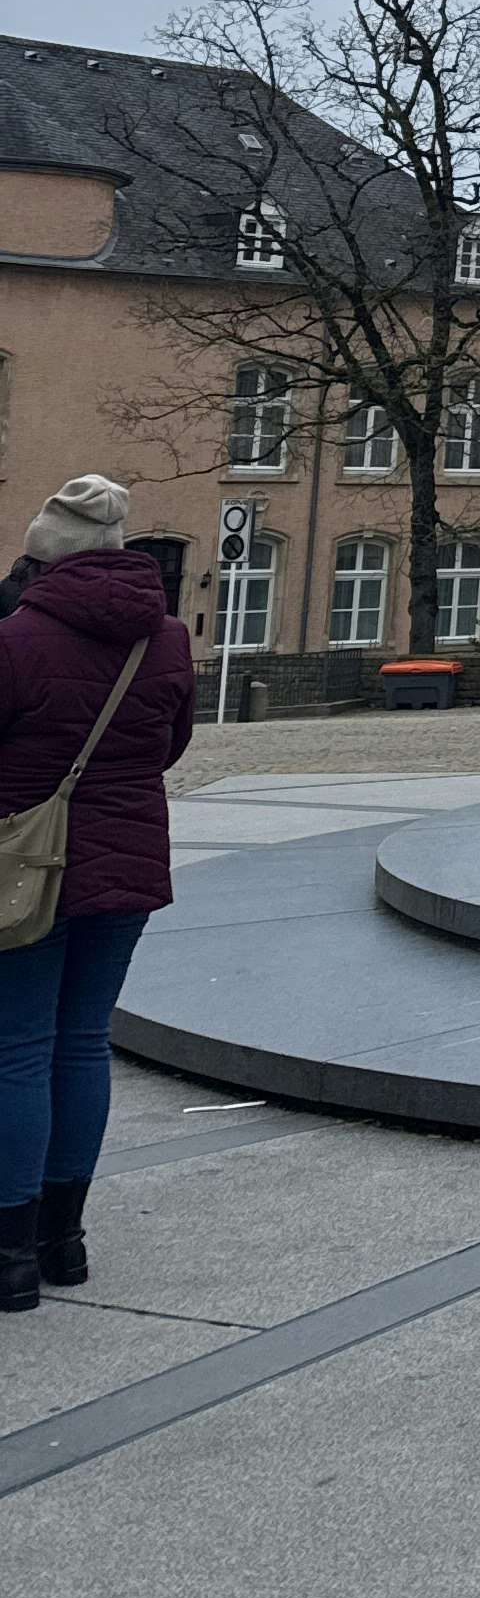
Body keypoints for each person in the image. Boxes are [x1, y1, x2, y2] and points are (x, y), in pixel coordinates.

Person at [0, 476, 197, 1313]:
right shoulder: (171, 639)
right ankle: (65, 1244)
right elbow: (170, 745)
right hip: (126, 868)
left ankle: (9, 1258)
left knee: (16, 1051)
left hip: (23, 871)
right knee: (83, 1044)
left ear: (43, 555)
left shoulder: (15, 640)